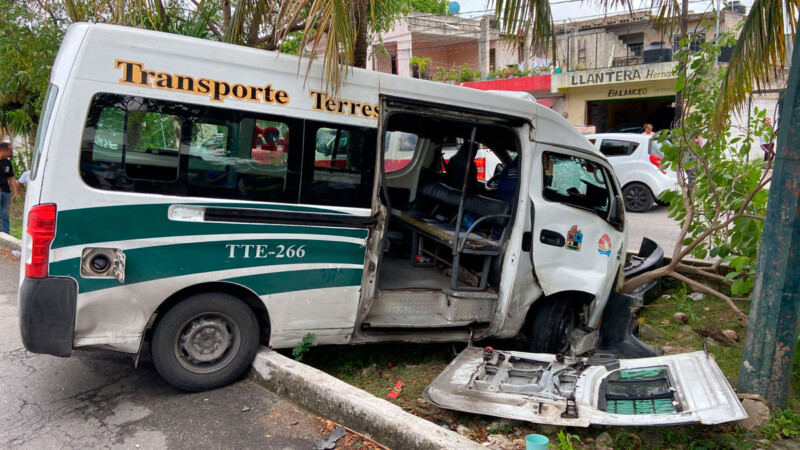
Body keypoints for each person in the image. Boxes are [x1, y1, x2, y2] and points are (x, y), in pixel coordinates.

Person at [0, 141, 23, 234]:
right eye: (9, 151)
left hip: (6, 191)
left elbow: (11, 178)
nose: (10, 153)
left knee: (5, 214)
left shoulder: (7, 162)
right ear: (3, 150)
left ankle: (6, 235)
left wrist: (15, 192)